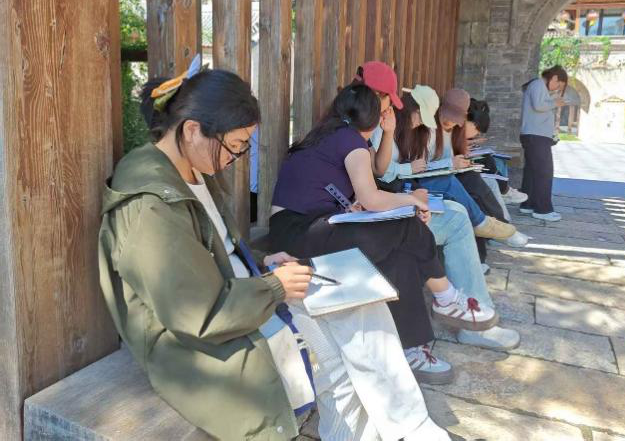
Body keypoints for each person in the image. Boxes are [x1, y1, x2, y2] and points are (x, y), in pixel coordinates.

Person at [98, 61, 449, 440]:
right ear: (192, 130)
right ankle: (412, 430)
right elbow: (195, 312)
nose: (235, 157)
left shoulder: (189, 169)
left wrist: (263, 260)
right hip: (203, 338)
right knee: (338, 355)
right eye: (235, 145)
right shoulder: (151, 204)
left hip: (244, 297)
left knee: (361, 307)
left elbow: (217, 249)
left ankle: (411, 428)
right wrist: (275, 286)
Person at [268, 83, 501, 381]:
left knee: (400, 252)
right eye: (384, 113)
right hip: (299, 237)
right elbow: (372, 198)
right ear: (374, 118)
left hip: (307, 229)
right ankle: (446, 297)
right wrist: (412, 201)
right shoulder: (351, 140)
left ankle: (412, 348)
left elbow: (353, 187)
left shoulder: (331, 134)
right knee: (406, 224)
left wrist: (368, 204)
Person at [370, 87, 520, 350]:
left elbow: (400, 171)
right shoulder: (381, 127)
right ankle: (471, 319)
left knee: (458, 209)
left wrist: (414, 190)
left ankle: (473, 309)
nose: (420, 124)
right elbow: (380, 173)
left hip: (402, 196)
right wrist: (410, 180)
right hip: (388, 206)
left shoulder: (404, 129)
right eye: (419, 118)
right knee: (456, 214)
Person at [518, 65, 568, 222]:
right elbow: (538, 106)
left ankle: (527, 204)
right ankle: (542, 209)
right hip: (536, 136)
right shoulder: (538, 84)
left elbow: (539, 106)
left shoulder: (538, 86)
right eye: (558, 85)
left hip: (534, 135)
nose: (556, 89)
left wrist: (552, 100)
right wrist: (555, 103)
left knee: (532, 172)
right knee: (544, 172)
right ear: (554, 78)